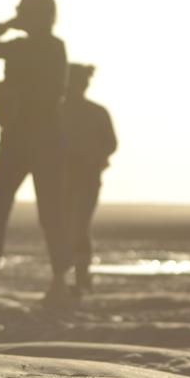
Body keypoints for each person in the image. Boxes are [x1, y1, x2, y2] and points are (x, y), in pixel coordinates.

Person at [0, 0, 70, 306]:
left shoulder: (53, 47)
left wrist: (14, 99)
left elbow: (53, 92)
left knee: (50, 212)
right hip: (14, 138)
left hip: (43, 140)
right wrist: (6, 25)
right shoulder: (17, 47)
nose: (20, 14)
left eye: (24, 10)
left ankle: (59, 280)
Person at [61, 63, 118, 296]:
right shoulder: (60, 110)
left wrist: (92, 157)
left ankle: (80, 276)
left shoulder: (94, 112)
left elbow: (111, 144)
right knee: (67, 227)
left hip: (85, 178)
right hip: (65, 179)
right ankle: (69, 276)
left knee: (79, 227)